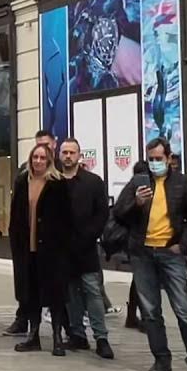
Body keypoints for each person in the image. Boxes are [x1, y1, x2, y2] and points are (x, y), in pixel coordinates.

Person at [113, 137, 187, 371]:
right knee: (150, 310)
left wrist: (183, 244)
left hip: (170, 252)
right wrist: (137, 203)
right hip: (143, 253)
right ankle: (161, 358)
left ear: (169, 158)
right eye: (151, 159)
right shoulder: (139, 182)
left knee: (183, 309)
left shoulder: (181, 183)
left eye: (159, 158)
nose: (155, 163)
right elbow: (118, 213)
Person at [9, 143, 72, 356]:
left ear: (49, 160)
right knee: (31, 293)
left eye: (42, 158)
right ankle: (33, 335)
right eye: (35, 157)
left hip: (51, 250)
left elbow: (66, 219)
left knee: (54, 294)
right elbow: (16, 216)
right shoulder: (22, 181)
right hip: (27, 248)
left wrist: (62, 246)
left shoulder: (57, 183)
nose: (38, 161)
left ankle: (56, 337)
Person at [58, 138, 113, 359]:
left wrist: (91, 235)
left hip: (86, 247)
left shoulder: (93, 182)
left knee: (93, 291)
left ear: (79, 155)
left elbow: (102, 213)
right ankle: (77, 335)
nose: (68, 156)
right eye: (65, 152)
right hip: (62, 249)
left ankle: (101, 338)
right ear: (60, 155)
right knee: (70, 293)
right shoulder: (55, 181)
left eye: (72, 152)